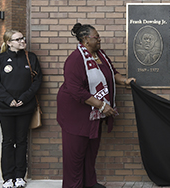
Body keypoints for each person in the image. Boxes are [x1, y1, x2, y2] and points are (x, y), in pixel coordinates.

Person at [57, 23, 136, 188]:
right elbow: (75, 90)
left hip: (94, 115)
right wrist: (101, 105)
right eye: (97, 37)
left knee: (91, 152)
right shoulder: (75, 59)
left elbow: (113, 73)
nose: (100, 40)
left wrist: (125, 81)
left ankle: (89, 183)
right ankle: (74, 185)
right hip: (77, 115)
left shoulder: (101, 55)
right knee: (75, 155)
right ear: (86, 39)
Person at [0, 30, 42, 188]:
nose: (22, 41)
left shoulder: (30, 57)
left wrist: (23, 98)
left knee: (21, 141)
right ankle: (7, 177)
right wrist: (9, 100)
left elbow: (37, 80)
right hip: (5, 109)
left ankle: (20, 176)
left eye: (23, 38)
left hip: (25, 108)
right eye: (18, 39)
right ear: (9, 42)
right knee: (7, 141)